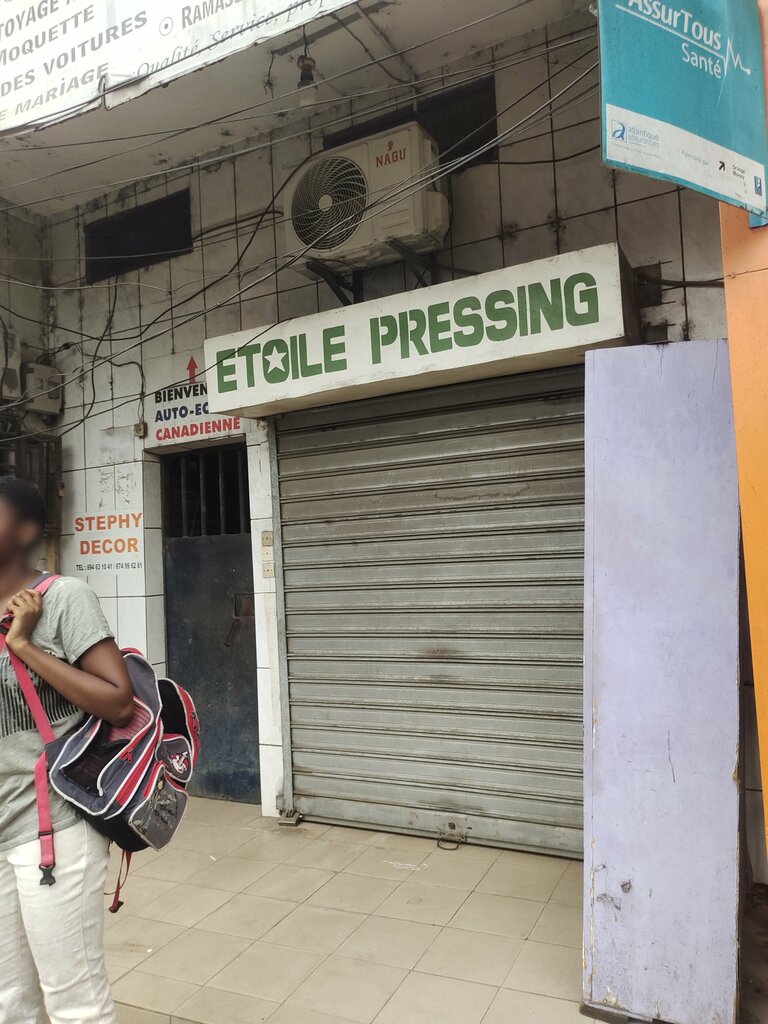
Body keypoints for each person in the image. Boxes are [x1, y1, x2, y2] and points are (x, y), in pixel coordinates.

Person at [0, 476, 134, 1024]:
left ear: (27, 530)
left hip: (53, 823)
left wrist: (25, 645)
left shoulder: (63, 597)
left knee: (74, 1002)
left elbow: (118, 702)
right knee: (11, 1001)